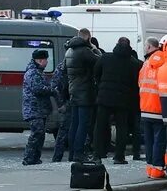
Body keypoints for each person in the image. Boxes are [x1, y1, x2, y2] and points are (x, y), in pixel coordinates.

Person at [93, 37, 141, 164]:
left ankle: (97, 154)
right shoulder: (134, 63)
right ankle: (119, 156)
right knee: (122, 128)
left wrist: (101, 86)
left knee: (100, 126)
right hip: (123, 100)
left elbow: (96, 73)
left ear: (116, 44)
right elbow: (136, 83)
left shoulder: (105, 58)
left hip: (104, 97)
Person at [64, 28, 100, 162]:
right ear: (88, 38)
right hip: (85, 92)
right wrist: (95, 48)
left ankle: (72, 153)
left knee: (74, 124)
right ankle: (79, 153)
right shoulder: (85, 51)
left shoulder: (69, 50)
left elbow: (63, 69)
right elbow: (100, 60)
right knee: (83, 124)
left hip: (73, 91)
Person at [139, 38, 167, 179]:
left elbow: (140, 83)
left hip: (145, 107)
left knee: (149, 140)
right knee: (159, 140)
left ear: (149, 47)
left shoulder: (145, 64)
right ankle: (157, 168)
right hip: (159, 107)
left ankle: (150, 167)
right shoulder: (163, 62)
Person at [22, 49, 54, 165]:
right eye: (46, 59)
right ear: (40, 60)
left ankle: (35, 158)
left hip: (39, 110)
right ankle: (29, 158)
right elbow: (38, 89)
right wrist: (51, 90)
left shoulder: (38, 72)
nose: (47, 62)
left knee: (40, 134)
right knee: (37, 133)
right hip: (33, 109)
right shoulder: (32, 72)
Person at [50, 56, 71, 163]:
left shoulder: (61, 67)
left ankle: (57, 158)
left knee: (63, 132)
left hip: (68, 102)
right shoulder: (77, 65)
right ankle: (73, 157)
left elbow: (54, 87)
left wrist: (61, 104)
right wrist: (63, 104)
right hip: (73, 102)